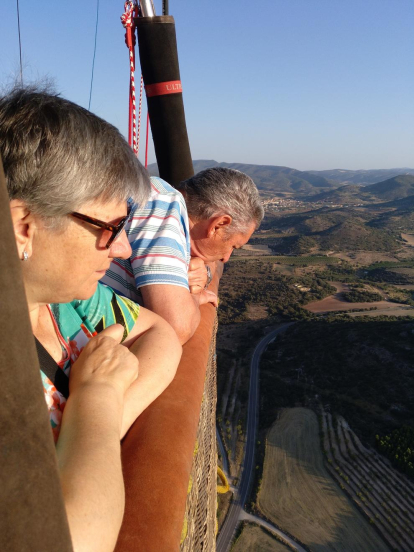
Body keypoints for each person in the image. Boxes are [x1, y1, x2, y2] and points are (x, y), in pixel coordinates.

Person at [0, 88, 182, 552]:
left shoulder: (69, 301)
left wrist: (102, 427)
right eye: (109, 229)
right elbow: (74, 540)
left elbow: (161, 334)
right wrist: (96, 402)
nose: (123, 249)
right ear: (24, 225)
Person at [102, 167, 264, 344]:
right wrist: (194, 297)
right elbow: (175, 330)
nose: (226, 258)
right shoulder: (164, 203)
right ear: (218, 225)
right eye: (234, 246)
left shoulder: (157, 198)